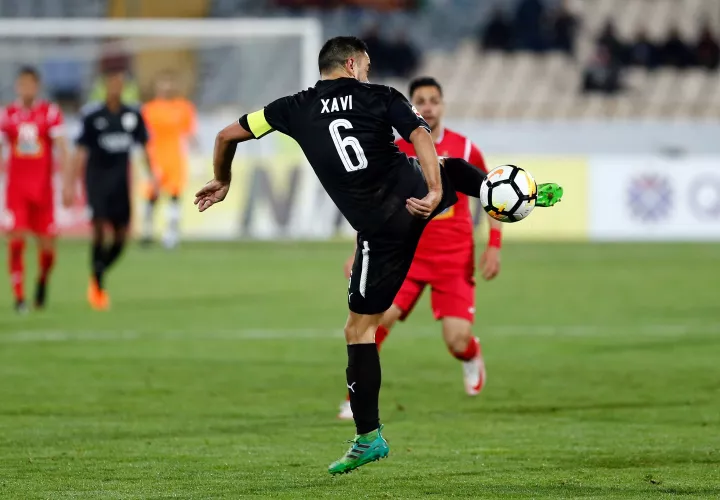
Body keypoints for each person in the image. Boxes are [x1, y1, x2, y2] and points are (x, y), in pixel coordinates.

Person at [193, 36, 563, 475]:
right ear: (351, 64)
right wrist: (436, 189)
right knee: (457, 170)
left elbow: (225, 135)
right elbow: (421, 134)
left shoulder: (290, 108)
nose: (366, 72)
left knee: (358, 330)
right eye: (365, 65)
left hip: (382, 227)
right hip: (412, 193)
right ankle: (515, 193)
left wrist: (223, 179)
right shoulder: (381, 96)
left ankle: (368, 436)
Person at [337, 76, 499, 420]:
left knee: (456, 341)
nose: (428, 106)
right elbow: (376, 209)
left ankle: (471, 355)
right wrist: (358, 253)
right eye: (420, 101)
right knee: (374, 324)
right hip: (405, 255)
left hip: (454, 258)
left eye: (433, 100)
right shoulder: (394, 150)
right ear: (412, 107)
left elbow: (493, 196)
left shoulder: (466, 149)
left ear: (442, 105)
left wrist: (494, 245)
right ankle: (358, 400)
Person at [63, 70, 157, 311]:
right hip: (96, 181)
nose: (115, 87)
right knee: (98, 230)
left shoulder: (132, 115)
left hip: (120, 183)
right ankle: (98, 287)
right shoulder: (92, 116)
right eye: (111, 82)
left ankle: (97, 271)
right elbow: (80, 152)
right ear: (105, 85)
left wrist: (152, 178)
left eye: (119, 83)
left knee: (121, 237)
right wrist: (69, 184)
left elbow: (144, 148)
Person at [0, 66, 69, 312]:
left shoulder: (49, 113)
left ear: (37, 86)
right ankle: (19, 298)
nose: (26, 88)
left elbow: (62, 146)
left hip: (43, 190)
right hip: (16, 190)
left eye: (31, 84)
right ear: (18, 87)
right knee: (16, 241)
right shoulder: (7, 114)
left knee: (48, 247)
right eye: (22, 84)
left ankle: (42, 280)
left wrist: (67, 183)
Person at [141, 71, 197, 248]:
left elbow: (190, 134)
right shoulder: (148, 109)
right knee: (151, 196)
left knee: (174, 195)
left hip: (175, 159)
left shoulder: (183, 107)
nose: (166, 87)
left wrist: (199, 158)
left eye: (169, 83)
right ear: (156, 86)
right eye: (162, 83)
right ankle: (147, 232)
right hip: (154, 158)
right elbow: (142, 137)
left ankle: (171, 235)